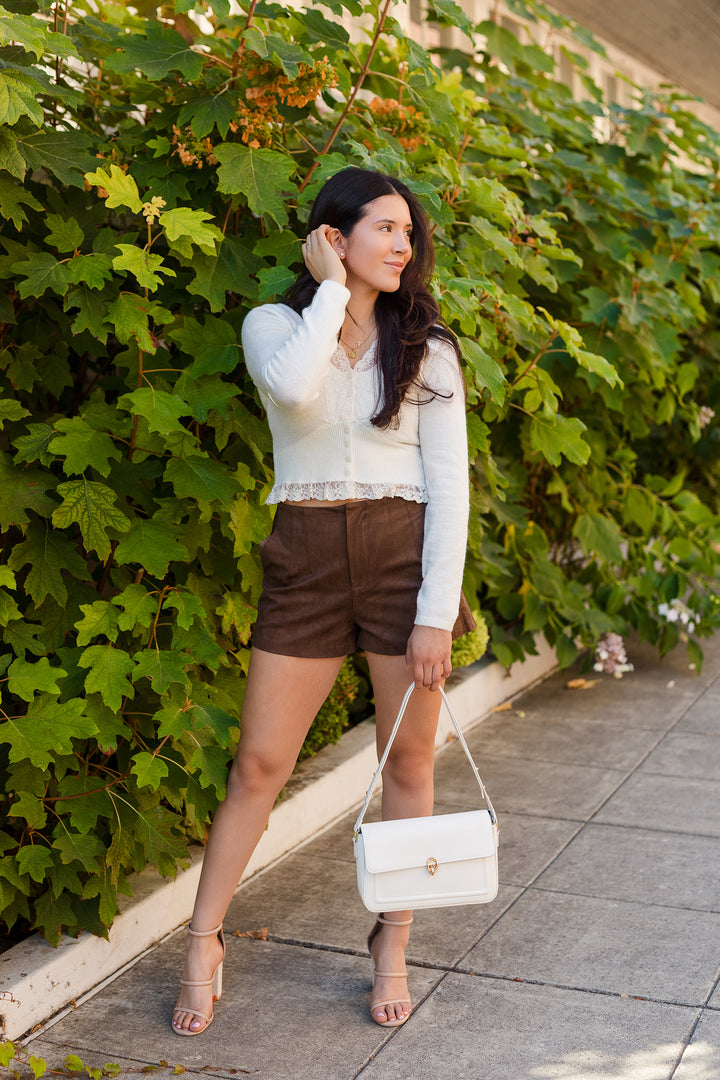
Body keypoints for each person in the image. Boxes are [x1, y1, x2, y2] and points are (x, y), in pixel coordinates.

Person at [171, 167, 475, 1036]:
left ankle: (393, 939)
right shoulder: (275, 323)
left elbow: (450, 490)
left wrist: (433, 611)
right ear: (332, 238)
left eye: (408, 234)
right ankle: (203, 941)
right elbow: (297, 392)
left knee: (407, 761)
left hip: (399, 559)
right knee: (258, 767)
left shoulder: (429, 346)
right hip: (303, 555)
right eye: (384, 228)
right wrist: (331, 296)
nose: (402, 246)